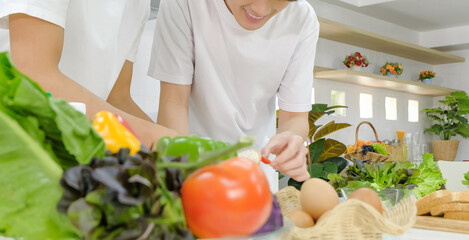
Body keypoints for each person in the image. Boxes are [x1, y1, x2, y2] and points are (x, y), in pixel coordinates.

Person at [148, 0, 320, 181]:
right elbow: (174, 104)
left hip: (253, 175)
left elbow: (295, 117)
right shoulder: (186, 3)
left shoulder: (302, 18)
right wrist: (179, 178)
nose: (259, 10)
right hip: (191, 167)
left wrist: (290, 138)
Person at [0, 0, 179, 147]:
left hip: (64, 146)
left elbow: (117, 98)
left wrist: (180, 144)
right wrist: (162, 139)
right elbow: (33, 77)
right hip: (17, 144)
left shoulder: (139, 4)